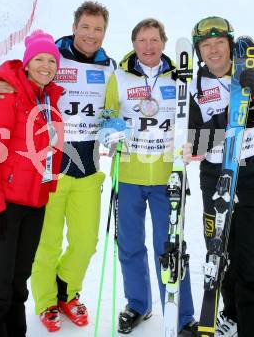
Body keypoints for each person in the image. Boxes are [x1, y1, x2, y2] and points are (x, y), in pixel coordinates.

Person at [0, 1, 116, 332]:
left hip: (87, 167)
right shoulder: (52, 59)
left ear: (104, 32)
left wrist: (118, 124)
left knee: (86, 241)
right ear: (74, 27)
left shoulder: (109, 67)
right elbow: (19, 79)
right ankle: (46, 300)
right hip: (49, 169)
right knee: (47, 244)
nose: (91, 35)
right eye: (85, 27)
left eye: (98, 29)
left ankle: (66, 289)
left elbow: (119, 107)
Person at [185, 16, 254, 337]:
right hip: (216, 175)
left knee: (251, 262)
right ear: (199, 52)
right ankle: (231, 313)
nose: (214, 50)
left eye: (220, 43)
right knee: (219, 252)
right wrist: (223, 123)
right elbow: (196, 143)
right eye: (206, 46)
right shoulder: (195, 87)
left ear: (230, 45)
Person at [103, 18, 197, 336]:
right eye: (142, 40)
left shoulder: (180, 77)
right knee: (129, 244)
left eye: (154, 39)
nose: (148, 46)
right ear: (133, 44)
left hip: (166, 175)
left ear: (163, 42)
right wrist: (110, 131)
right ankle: (138, 304)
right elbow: (107, 115)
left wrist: (190, 144)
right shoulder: (119, 76)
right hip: (128, 173)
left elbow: (192, 120)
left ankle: (182, 316)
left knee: (169, 246)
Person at [0, 30, 64, 337]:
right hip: (5, 206)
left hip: (34, 205)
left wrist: (45, 192)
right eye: (39, 58)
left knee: (18, 284)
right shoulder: (7, 95)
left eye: (51, 60)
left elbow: (49, 155)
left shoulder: (48, 100)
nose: (46, 65)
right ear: (26, 63)